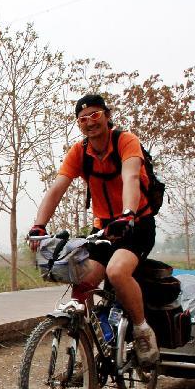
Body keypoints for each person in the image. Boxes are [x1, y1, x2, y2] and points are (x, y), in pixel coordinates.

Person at [28, 94, 159, 366]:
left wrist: (128, 214)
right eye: (83, 119)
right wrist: (39, 225)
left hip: (136, 225)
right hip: (104, 230)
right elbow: (57, 188)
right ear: (78, 124)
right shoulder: (79, 152)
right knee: (81, 277)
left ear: (107, 116)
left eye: (95, 116)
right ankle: (82, 347)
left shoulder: (125, 141)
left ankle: (142, 329)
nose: (90, 123)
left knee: (116, 271)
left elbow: (132, 177)